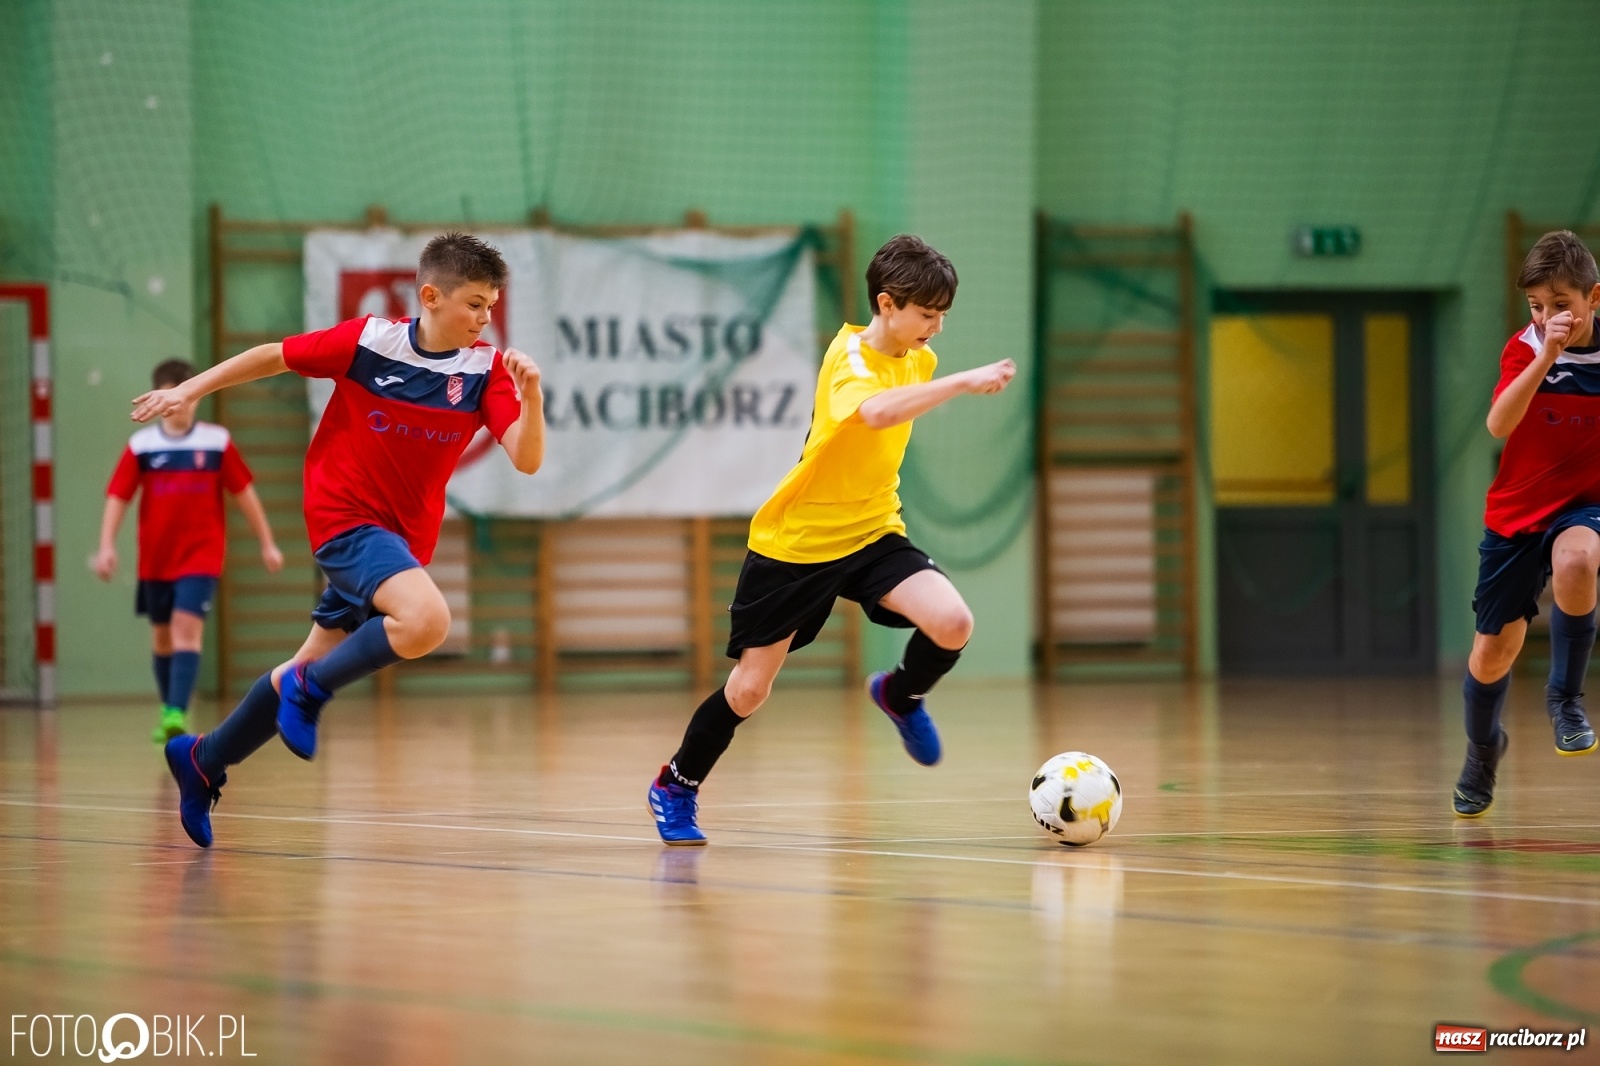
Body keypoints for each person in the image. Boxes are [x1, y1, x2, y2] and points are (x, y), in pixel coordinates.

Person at [131, 232, 546, 847]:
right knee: (427, 620)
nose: (485, 319)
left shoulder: (485, 371)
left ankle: (203, 759)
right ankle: (312, 690)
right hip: (344, 516)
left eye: (491, 306)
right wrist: (189, 390)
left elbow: (527, 459)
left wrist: (532, 398)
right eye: (475, 304)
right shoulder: (368, 341)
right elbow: (272, 355)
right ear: (431, 296)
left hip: (400, 543)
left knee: (302, 662)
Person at [648, 234, 1017, 844]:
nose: (936, 328)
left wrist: (943, 378)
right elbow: (874, 413)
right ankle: (676, 784)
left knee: (952, 622)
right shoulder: (849, 357)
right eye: (927, 314)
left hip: (872, 529)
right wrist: (960, 384)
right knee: (749, 689)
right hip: (799, 545)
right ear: (887, 304)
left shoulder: (917, 357)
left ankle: (901, 694)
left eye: (943, 315)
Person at [1455, 229, 1600, 818]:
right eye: (1537, 307)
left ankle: (1565, 700)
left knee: (1578, 560)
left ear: (1595, 299)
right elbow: (1497, 425)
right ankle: (1483, 750)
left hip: (1584, 505)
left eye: (1561, 305)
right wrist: (1546, 355)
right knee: (1493, 653)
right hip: (1517, 511)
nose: (1549, 317)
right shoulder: (1526, 348)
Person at [95, 359, 282, 743]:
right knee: (162, 636)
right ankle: (169, 708)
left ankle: (177, 711)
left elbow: (244, 493)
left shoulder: (216, 442)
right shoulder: (142, 446)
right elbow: (118, 496)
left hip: (201, 557)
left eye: (189, 395)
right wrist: (106, 546)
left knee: (186, 631)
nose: (181, 404)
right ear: (159, 399)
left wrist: (267, 541)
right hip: (156, 559)